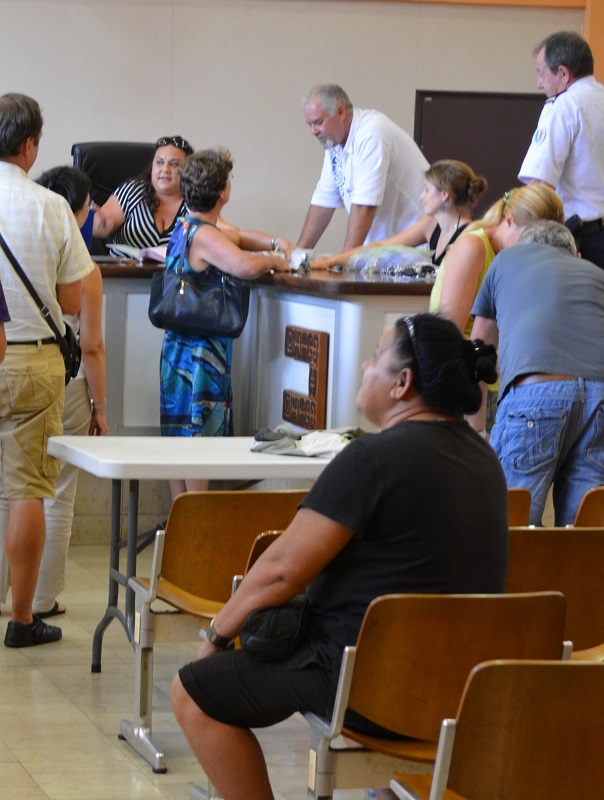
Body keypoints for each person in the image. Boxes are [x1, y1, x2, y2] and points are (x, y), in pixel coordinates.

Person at [170, 312, 508, 800]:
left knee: (192, 692)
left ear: (402, 383)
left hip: (363, 684)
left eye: (375, 356)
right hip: (460, 689)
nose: (366, 366)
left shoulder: (371, 459)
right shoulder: (486, 461)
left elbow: (281, 571)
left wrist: (217, 634)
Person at [0, 93, 93, 647]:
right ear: (30, 145)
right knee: (28, 490)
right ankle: (22, 618)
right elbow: (72, 301)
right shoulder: (50, 206)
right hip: (32, 359)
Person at [160, 148, 290, 500]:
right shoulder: (205, 235)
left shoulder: (189, 225)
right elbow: (245, 266)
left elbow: (237, 236)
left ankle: (181, 523)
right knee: (198, 438)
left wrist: (273, 242)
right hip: (201, 353)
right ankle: (196, 525)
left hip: (180, 348)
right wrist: (275, 260)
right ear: (223, 192)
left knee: (180, 436)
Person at [469, 220, 604, 526]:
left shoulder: (506, 259)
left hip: (537, 394)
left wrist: (479, 427)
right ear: (576, 255)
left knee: (512, 522)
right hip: (601, 398)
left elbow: (481, 352)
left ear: (524, 246)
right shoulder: (597, 274)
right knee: (585, 527)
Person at [33, 166, 108, 616]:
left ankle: (11, 593)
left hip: (24, 373)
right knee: (59, 493)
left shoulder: (23, 251)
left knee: (14, 491)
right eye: (88, 205)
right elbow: (92, 347)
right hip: (72, 385)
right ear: (76, 211)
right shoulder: (85, 268)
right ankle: (43, 599)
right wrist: (100, 407)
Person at [297, 84, 429, 252]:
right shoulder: (334, 144)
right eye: (310, 125)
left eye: (318, 122)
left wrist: (345, 259)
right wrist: (297, 256)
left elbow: (364, 206)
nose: (314, 131)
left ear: (340, 112)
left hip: (418, 248)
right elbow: (323, 202)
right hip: (385, 251)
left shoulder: (372, 132)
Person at [430, 183, 564, 336]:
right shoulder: (472, 247)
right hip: (465, 353)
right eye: (531, 239)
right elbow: (447, 335)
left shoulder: (523, 255)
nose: (537, 251)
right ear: (509, 221)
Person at [518, 31, 604, 269]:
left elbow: (541, 187)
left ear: (563, 73)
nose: (539, 83)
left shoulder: (563, 107)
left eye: (541, 73)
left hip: (581, 240)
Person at [310, 160, 487, 270]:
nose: (421, 197)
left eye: (426, 190)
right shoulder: (431, 224)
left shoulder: (470, 236)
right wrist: (332, 261)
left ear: (444, 195)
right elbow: (381, 246)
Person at [92, 135, 194, 254]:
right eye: (159, 162)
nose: (165, 169)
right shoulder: (133, 191)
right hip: (123, 271)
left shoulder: (195, 202)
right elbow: (99, 227)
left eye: (174, 164)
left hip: (172, 272)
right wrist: (99, 225)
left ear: (188, 170)